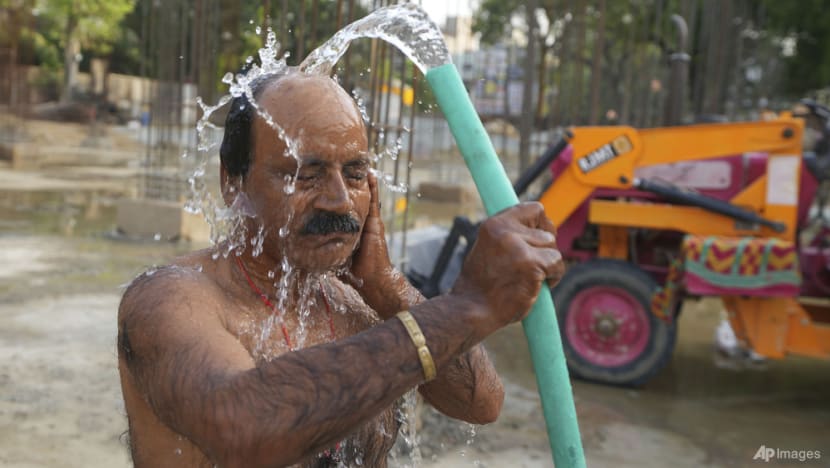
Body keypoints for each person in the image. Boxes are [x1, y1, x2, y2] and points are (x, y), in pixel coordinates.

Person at [117, 70, 565, 468]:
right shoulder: (171, 300)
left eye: (355, 173)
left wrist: (387, 287)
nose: (339, 201)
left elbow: (480, 402)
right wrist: (466, 308)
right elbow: (244, 430)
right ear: (232, 182)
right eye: (305, 175)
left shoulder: (357, 302)